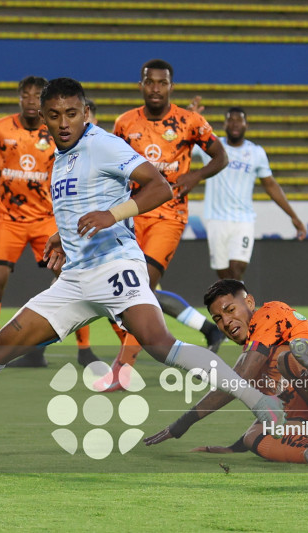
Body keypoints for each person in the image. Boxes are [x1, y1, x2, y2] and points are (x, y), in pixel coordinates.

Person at [0, 78, 285, 446]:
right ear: (44, 119)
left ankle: (260, 402)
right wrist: (60, 238)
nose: (63, 122)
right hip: (75, 280)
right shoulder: (59, 160)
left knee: (161, 346)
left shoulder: (102, 143)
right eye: (54, 115)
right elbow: (80, 208)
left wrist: (113, 215)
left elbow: (160, 187)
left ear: (84, 112)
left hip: (116, 266)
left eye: (71, 113)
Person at [144, 279, 308, 466]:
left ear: (250, 302)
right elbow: (254, 398)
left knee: (287, 358)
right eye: (218, 319)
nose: (226, 322)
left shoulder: (270, 313)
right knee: (254, 436)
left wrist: (183, 423)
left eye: (230, 310)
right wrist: (234, 447)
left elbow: (238, 380)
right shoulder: (254, 358)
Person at [0, 75, 96, 367]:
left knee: (69, 278)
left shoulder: (56, 130)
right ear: (19, 97)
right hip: (7, 220)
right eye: (26, 95)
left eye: (37, 96)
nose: (31, 101)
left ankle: (84, 349)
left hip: (46, 219)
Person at [108, 59, 228, 387]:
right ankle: (206, 331)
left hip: (168, 217)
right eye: (150, 82)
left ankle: (123, 370)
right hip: (130, 216)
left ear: (171, 86)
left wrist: (195, 175)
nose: (156, 88)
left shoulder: (190, 122)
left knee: (139, 287)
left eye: (163, 83)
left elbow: (221, 157)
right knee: (133, 292)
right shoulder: (124, 123)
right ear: (141, 85)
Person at [190, 106, 307, 280]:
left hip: (243, 220)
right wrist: (191, 119)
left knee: (237, 268)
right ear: (225, 124)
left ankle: (242, 306)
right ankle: (235, 304)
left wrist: (293, 216)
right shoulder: (212, 146)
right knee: (224, 275)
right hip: (216, 219)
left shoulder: (256, 153)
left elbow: (270, 185)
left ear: (246, 125)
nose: (235, 124)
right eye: (231, 120)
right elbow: (183, 146)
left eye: (239, 120)